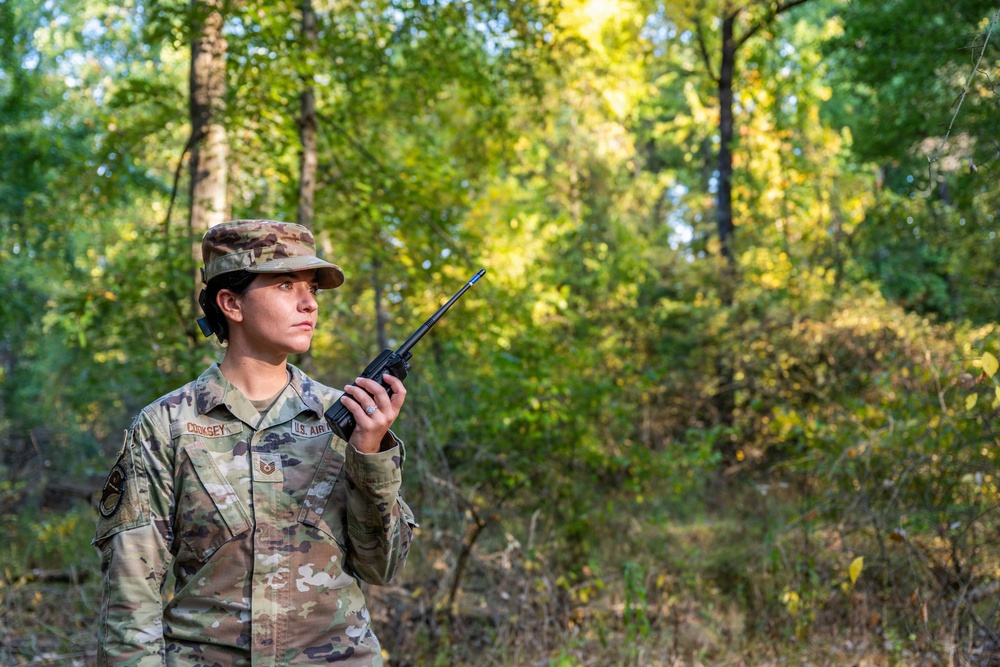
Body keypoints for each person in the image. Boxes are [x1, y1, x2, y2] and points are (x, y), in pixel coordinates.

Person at [93, 219, 416, 666]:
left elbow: (382, 567)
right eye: (286, 285)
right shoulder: (167, 424)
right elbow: (132, 596)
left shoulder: (346, 419)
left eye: (313, 290)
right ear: (231, 303)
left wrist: (370, 452)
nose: (309, 304)